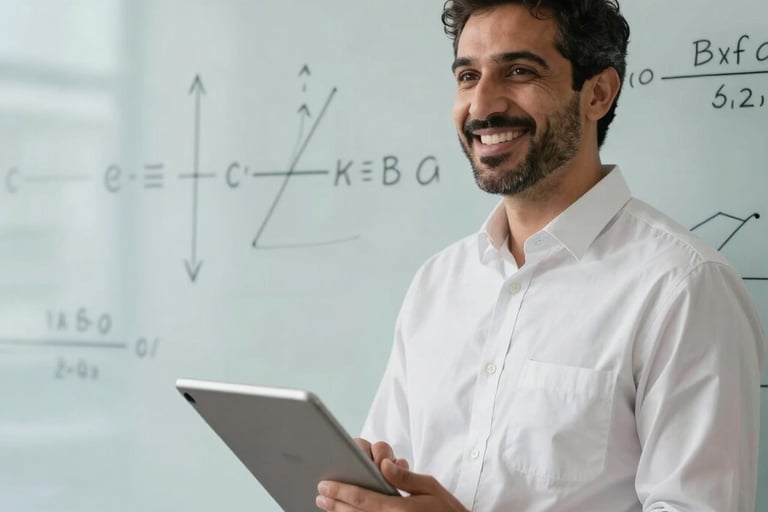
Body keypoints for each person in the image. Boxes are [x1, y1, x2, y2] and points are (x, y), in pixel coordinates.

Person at [316, 0, 767, 510]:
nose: (482, 104)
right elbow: (397, 481)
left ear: (597, 93)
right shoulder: (438, 283)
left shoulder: (682, 287)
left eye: (519, 71)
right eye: (467, 75)